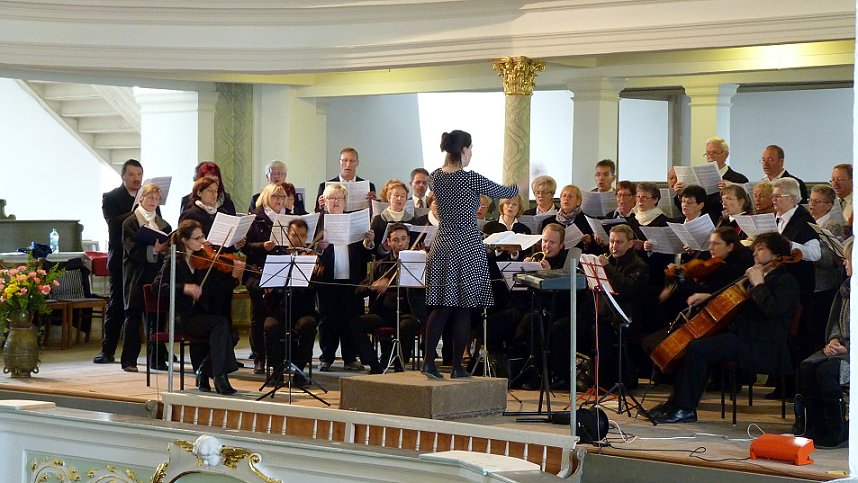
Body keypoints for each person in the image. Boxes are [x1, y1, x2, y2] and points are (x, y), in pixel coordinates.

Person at [651, 232, 799, 423]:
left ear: (777, 253)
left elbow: (773, 309)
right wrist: (708, 297)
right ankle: (676, 404)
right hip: (744, 336)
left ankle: (685, 408)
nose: (754, 253)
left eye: (761, 249)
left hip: (764, 345)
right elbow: (736, 302)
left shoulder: (785, 281)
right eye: (755, 249)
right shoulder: (758, 276)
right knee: (696, 343)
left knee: (698, 348)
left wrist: (759, 284)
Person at [421, 130, 518, 379]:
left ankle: (429, 362)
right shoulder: (470, 179)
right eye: (471, 148)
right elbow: (504, 191)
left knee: (441, 306)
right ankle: (456, 367)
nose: (472, 153)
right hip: (466, 244)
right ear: (463, 149)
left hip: (442, 244)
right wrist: (519, 183)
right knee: (464, 308)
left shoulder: (435, 177)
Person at [153, 220, 243, 394]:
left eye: (203, 236)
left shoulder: (201, 260)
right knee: (221, 325)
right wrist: (184, 288)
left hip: (202, 314)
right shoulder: (173, 261)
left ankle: (203, 371)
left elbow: (218, 290)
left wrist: (234, 277)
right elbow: (158, 287)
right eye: (197, 238)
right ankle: (219, 376)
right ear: (184, 240)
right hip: (183, 318)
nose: (202, 241)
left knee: (231, 334)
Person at [794, 240, 850, 449]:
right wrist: (834, 339)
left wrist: (848, 348)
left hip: (851, 351)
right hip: (840, 346)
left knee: (826, 371)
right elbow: (835, 320)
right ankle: (814, 426)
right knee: (807, 367)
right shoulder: (846, 288)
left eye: (848, 259)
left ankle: (837, 429)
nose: (844, 263)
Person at [313, 183, 375, 372]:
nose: (336, 202)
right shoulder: (318, 222)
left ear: (345, 201)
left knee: (351, 318)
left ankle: (350, 357)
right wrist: (319, 248)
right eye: (332, 198)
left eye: (339, 198)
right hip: (327, 279)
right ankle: (327, 357)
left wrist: (368, 242)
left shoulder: (354, 220)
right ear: (325, 202)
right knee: (328, 320)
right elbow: (308, 250)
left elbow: (365, 254)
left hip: (351, 279)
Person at [353, 223, 426, 374]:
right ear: (388, 242)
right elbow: (358, 290)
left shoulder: (420, 263)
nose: (400, 243)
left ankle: (400, 363)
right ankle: (374, 364)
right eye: (395, 240)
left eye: (403, 239)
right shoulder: (381, 265)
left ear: (409, 240)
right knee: (355, 324)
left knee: (406, 326)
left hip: (409, 313)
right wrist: (372, 286)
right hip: (383, 314)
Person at [95, 158, 143, 364]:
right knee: (116, 305)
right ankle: (108, 350)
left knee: (144, 305)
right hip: (120, 258)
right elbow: (114, 224)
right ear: (123, 176)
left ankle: (158, 351)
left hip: (142, 259)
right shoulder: (111, 197)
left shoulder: (147, 198)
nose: (136, 179)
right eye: (131, 174)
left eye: (139, 175)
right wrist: (137, 211)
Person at [120, 182, 171, 372]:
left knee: (156, 318)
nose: (153, 201)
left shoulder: (163, 224)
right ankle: (129, 360)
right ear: (141, 198)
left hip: (156, 276)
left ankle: (157, 359)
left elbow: (168, 248)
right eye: (150, 197)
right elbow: (132, 249)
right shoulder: (130, 222)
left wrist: (164, 250)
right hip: (136, 275)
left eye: (157, 198)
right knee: (133, 318)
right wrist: (154, 250)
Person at [262, 218, 319, 387]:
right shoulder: (277, 256)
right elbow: (265, 282)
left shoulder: (311, 258)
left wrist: (313, 272)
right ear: (288, 235)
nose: (298, 239)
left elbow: (316, 288)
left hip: (303, 310)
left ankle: (300, 370)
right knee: (270, 327)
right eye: (295, 235)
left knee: (308, 325)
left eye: (303, 235)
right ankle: (277, 369)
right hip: (279, 310)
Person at [243, 183, 290, 374]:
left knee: (278, 315)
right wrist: (263, 246)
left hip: (281, 270)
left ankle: (278, 357)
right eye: (275, 197)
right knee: (258, 316)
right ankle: (259, 358)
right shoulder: (255, 217)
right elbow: (245, 246)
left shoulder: (288, 218)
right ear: (266, 197)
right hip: (258, 272)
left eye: (282, 197)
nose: (279, 201)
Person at [315, 147, 376, 212]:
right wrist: (320, 206)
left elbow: (373, 213)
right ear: (339, 162)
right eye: (345, 160)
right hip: (334, 221)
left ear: (357, 163)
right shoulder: (324, 186)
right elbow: (317, 212)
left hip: (359, 221)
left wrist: (373, 205)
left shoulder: (369, 186)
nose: (348, 164)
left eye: (352, 161)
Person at [370, 179, 414, 253]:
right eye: (396, 195)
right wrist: (384, 249)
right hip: (385, 261)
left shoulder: (412, 220)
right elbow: (374, 247)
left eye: (403, 196)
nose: (399, 199)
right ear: (389, 198)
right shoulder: (379, 220)